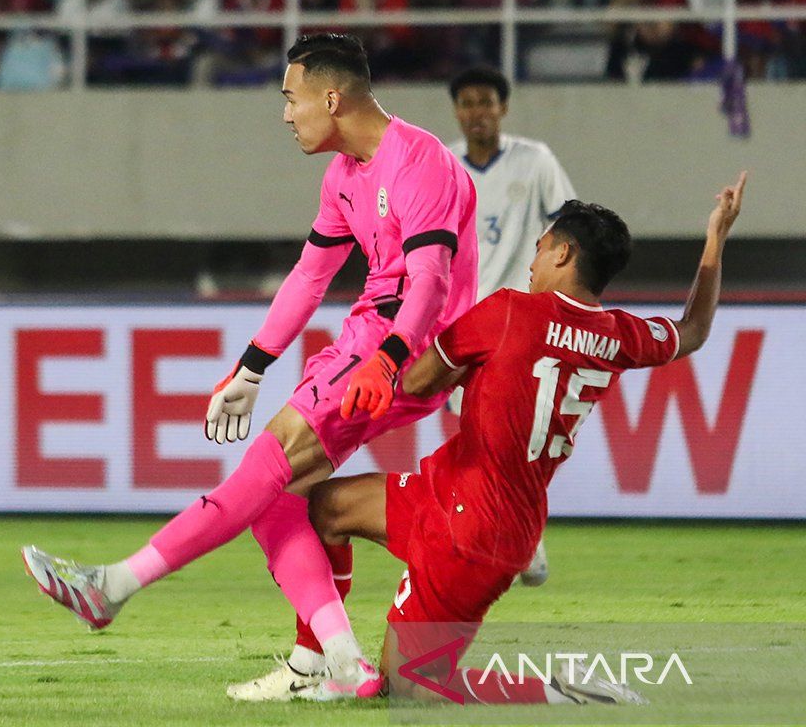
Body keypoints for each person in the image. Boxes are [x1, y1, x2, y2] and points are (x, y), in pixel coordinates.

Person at [22, 32, 479, 698]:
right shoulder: (344, 176)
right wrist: (249, 370)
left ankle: (113, 586)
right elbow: (309, 277)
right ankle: (335, 665)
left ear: (332, 95)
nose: (286, 114)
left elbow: (431, 283)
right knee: (279, 500)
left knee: (264, 468)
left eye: (291, 98)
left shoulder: (420, 161)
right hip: (375, 344)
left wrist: (386, 359)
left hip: (400, 346)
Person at [296, 176, 745, 702]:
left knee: (409, 689)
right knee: (326, 506)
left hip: (473, 536)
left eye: (538, 250)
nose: (531, 263)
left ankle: (569, 693)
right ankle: (316, 660)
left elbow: (415, 382)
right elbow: (693, 330)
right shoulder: (620, 335)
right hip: (468, 501)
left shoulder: (509, 311)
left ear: (564, 253)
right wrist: (716, 237)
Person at [448, 64, 578, 586]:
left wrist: (560, 294)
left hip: (522, 322)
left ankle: (516, 537)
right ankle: (513, 536)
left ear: (503, 108)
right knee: (485, 440)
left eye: (486, 102)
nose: (477, 112)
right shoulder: (444, 166)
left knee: (510, 438)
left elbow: (571, 224)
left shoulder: (535, 161)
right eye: (467, 102)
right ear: (456, 111)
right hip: (461, 323)